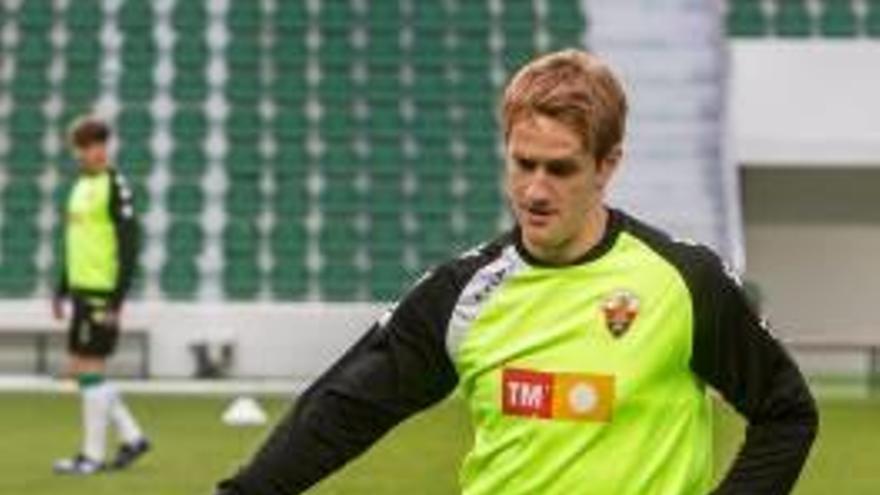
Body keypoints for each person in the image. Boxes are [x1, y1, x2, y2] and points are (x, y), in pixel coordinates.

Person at [215, 49, 817, 494]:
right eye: (522, 163)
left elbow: (786, 413)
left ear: (608, 165)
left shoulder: (684, 282)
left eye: (560, 169)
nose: (534, 190)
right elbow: (346, 408)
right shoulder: (463, 294)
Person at [52, 117, 150, 475]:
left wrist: (116, 299)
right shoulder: (78, 187)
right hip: (80, 291)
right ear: (77, 150)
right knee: (82, 370)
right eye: (87, 145)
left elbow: (129, 245)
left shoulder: (115, 185)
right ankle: (132, 437)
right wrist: (62, 287)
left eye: (100, 143)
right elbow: (76, 242)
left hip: (101, 292)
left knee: (87, 370)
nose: (95, 151)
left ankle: (92, 457)